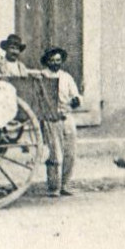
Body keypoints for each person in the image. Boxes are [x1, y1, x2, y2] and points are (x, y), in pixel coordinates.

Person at [39, 47, 82, 197]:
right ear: (47, 61)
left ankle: (65, 184)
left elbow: (75, 95)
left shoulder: (66, 77)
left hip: (67, 117)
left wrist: (76, 100)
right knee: (54, 155)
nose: (55, 63)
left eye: (58, 60)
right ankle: (53, 187)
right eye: (52, 60)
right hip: (52, 119)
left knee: (70, 153)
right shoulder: (42, 77)